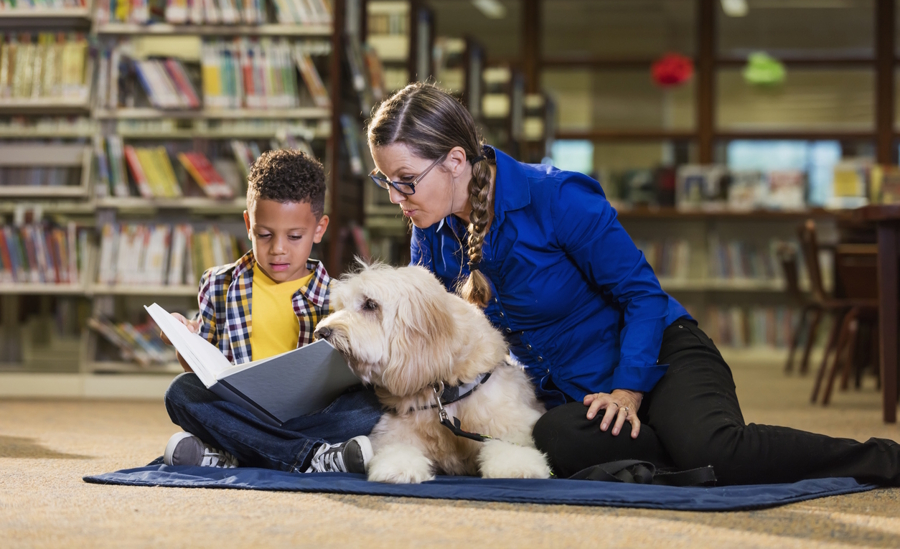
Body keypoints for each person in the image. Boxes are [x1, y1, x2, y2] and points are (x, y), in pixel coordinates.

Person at [365, 82, 900, 486]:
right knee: (552, 438)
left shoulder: (558, 198)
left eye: (405, 181)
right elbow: (435, 331)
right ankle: (676, 452)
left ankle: (881, 458)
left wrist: (628, 391)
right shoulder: (430, 233)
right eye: (386, 181)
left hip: (658, 355)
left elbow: (641, 296)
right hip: (572, 394)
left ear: (456, 161)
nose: (396, 197)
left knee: (719, 448)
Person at [161, 149, 382, 473]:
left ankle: (236, 451)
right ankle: (313, 456)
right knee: (180, 392)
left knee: (373, 404)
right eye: (264, 235)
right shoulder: (218, 284)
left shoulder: (338, 296)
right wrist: (185, 341)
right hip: (242, 411)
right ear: (249, 224)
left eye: (295, 236)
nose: (278, 248)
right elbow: (201, 373)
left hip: (312, 414)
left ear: (319, 229)